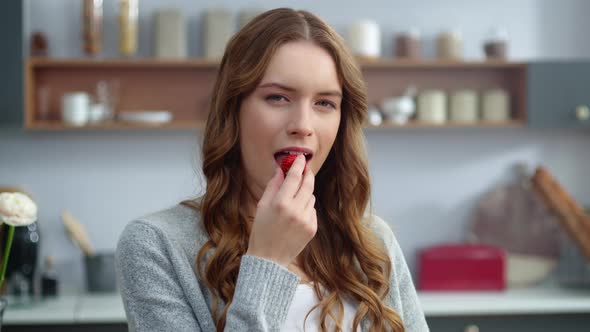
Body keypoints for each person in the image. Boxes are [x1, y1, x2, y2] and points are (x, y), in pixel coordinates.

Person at [116, 7, 429, 332]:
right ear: (232, 111)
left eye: (324, 103)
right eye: (278, 98)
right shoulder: (155, 246)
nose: (303, 126)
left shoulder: (372, 240)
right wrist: (267, 261)